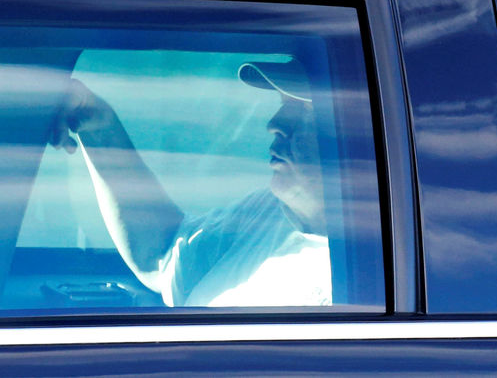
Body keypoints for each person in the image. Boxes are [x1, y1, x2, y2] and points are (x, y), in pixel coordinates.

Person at [48, 60, 332, 306]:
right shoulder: (270, 212)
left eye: (305, 111)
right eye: (283, 105)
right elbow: (162, 256)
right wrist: (97, 124)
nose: (275, 123)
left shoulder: (364, 276)